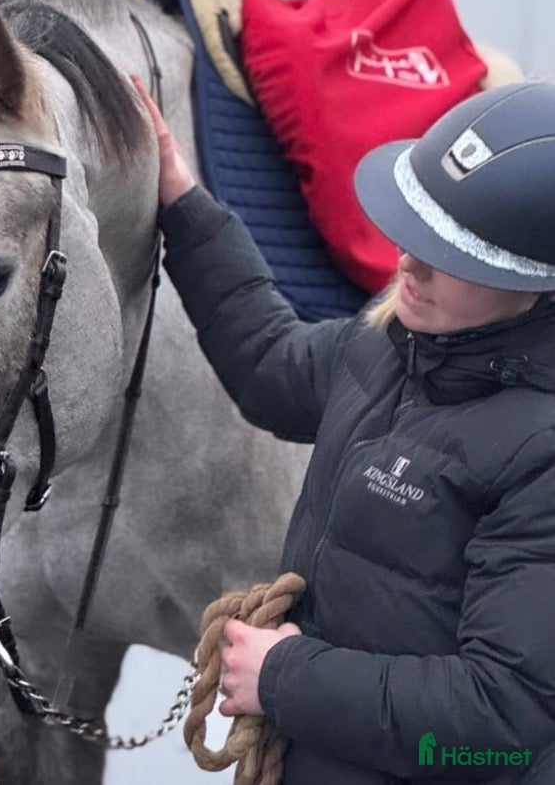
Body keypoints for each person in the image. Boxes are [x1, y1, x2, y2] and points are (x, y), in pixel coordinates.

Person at [132, 75, 555, 784]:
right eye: (414, 230)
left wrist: (284, 679)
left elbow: (502, 728)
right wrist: (181, 199)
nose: (409, 262)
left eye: (453, 254)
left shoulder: (540, 454)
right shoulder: (385, 345)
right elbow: (268, 363)